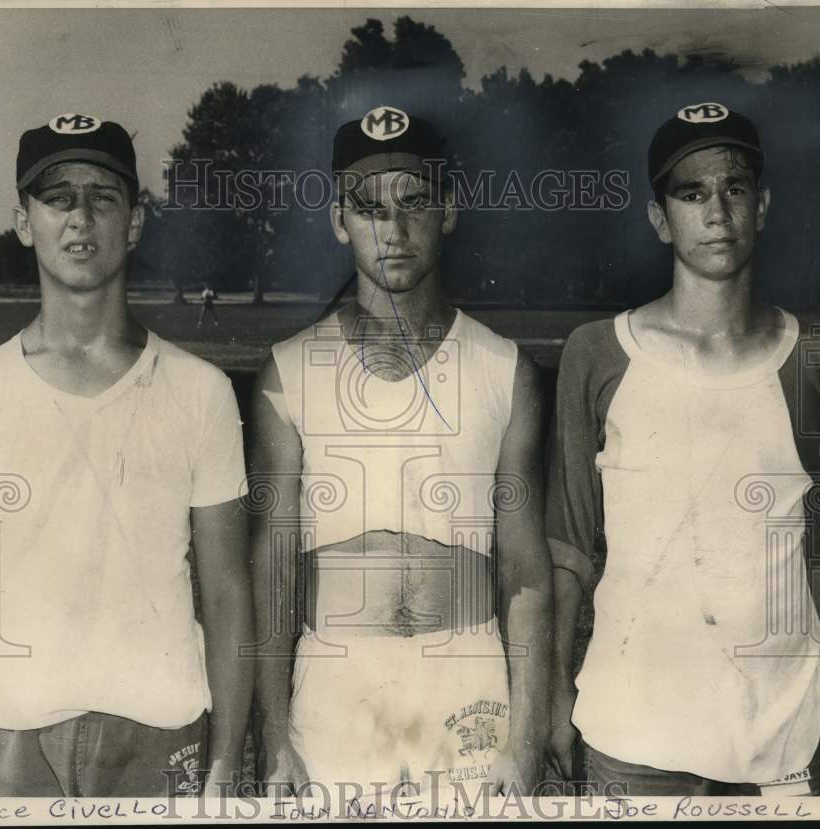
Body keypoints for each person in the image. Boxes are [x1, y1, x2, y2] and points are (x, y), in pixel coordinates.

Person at [0, 113, 254, 797]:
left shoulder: (201, 391)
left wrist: (222, 768)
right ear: (23, 217)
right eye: (58, 197)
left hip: (163, 731)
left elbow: (227, 593)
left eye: (103, 196)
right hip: (13, 737)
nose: (80, 217)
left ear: (134, 220)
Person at [545, 102, 820, 796]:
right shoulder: (598, 354)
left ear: (763, 204)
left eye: (735, 187)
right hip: (633, 730)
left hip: (777, 734)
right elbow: (568, 545)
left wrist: (813, 682)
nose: (716, 211)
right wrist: (553, 693)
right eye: (691, 193)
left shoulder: (813, 362)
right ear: (660, 217)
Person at [249, 106, 553, 806]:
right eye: (369, 207)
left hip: (468, 681)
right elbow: (271, 571)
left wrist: (528, 737)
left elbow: (528, 574)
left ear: (447, 210)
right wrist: (274, 738)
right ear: (338, 220)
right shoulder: (287, 372)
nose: (393, 226)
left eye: (415, 201)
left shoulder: (506, 371)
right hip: (336, 686)